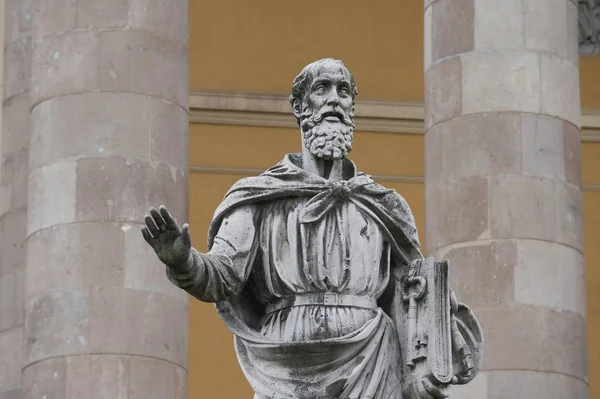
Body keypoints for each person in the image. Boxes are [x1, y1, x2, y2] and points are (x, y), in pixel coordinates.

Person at [142, 59, 479, 399]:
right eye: (322, 88)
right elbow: (222, 275)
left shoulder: (384, 205)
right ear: (300, 108)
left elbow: (412, 292)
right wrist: (183, 261)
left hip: (374, 360)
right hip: (284, 360)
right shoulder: (260, 196)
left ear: (352, 108)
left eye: (343, 91)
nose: (335, 99)